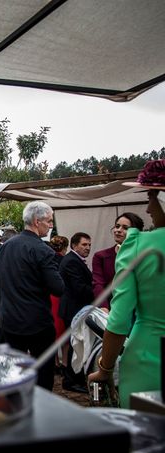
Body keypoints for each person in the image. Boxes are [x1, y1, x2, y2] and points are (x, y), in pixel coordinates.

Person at [88, 159, 165, 408]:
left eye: (152, 196)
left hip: (150, 358)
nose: (149, 207)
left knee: (147, 440)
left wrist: (105, 367)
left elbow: (120, 320)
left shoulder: (138, 246)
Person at [0, 201, 65, 390]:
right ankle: (40, 410)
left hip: (9, 319)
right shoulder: (43, 250)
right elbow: (57, 288)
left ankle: (12, 404)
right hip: (37, 323)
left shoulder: (6, 246)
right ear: (37, 221)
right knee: (43, 374)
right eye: (49, 221)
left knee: (12, 371)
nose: (51, 225)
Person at [58, 232, 94, 393]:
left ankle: (75, 377)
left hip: (75, 308)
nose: (88, 248)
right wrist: (101, 291)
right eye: (84, 245)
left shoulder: (74, 260)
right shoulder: (71, 261)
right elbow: (79, 288)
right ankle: (71, 380)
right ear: (74, 245)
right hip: (73, 309)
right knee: (75, 345)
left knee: (78, 344)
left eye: (89, 245)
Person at [92, 212, 144, 310]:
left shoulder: (143, 255)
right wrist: (103, 307)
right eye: (117, 226)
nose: (118, 230)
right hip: (112, 309)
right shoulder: (101, 256)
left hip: (140, 310)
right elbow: (98, 284)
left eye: (125, 228)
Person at [48, 235, 69, 370]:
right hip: (61, 296)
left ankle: (55, 362)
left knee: (53, 329)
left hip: (50, 296)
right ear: (65, 247)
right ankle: (65, 362)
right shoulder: (65, 261)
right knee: (63, 329)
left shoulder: (48, 259)